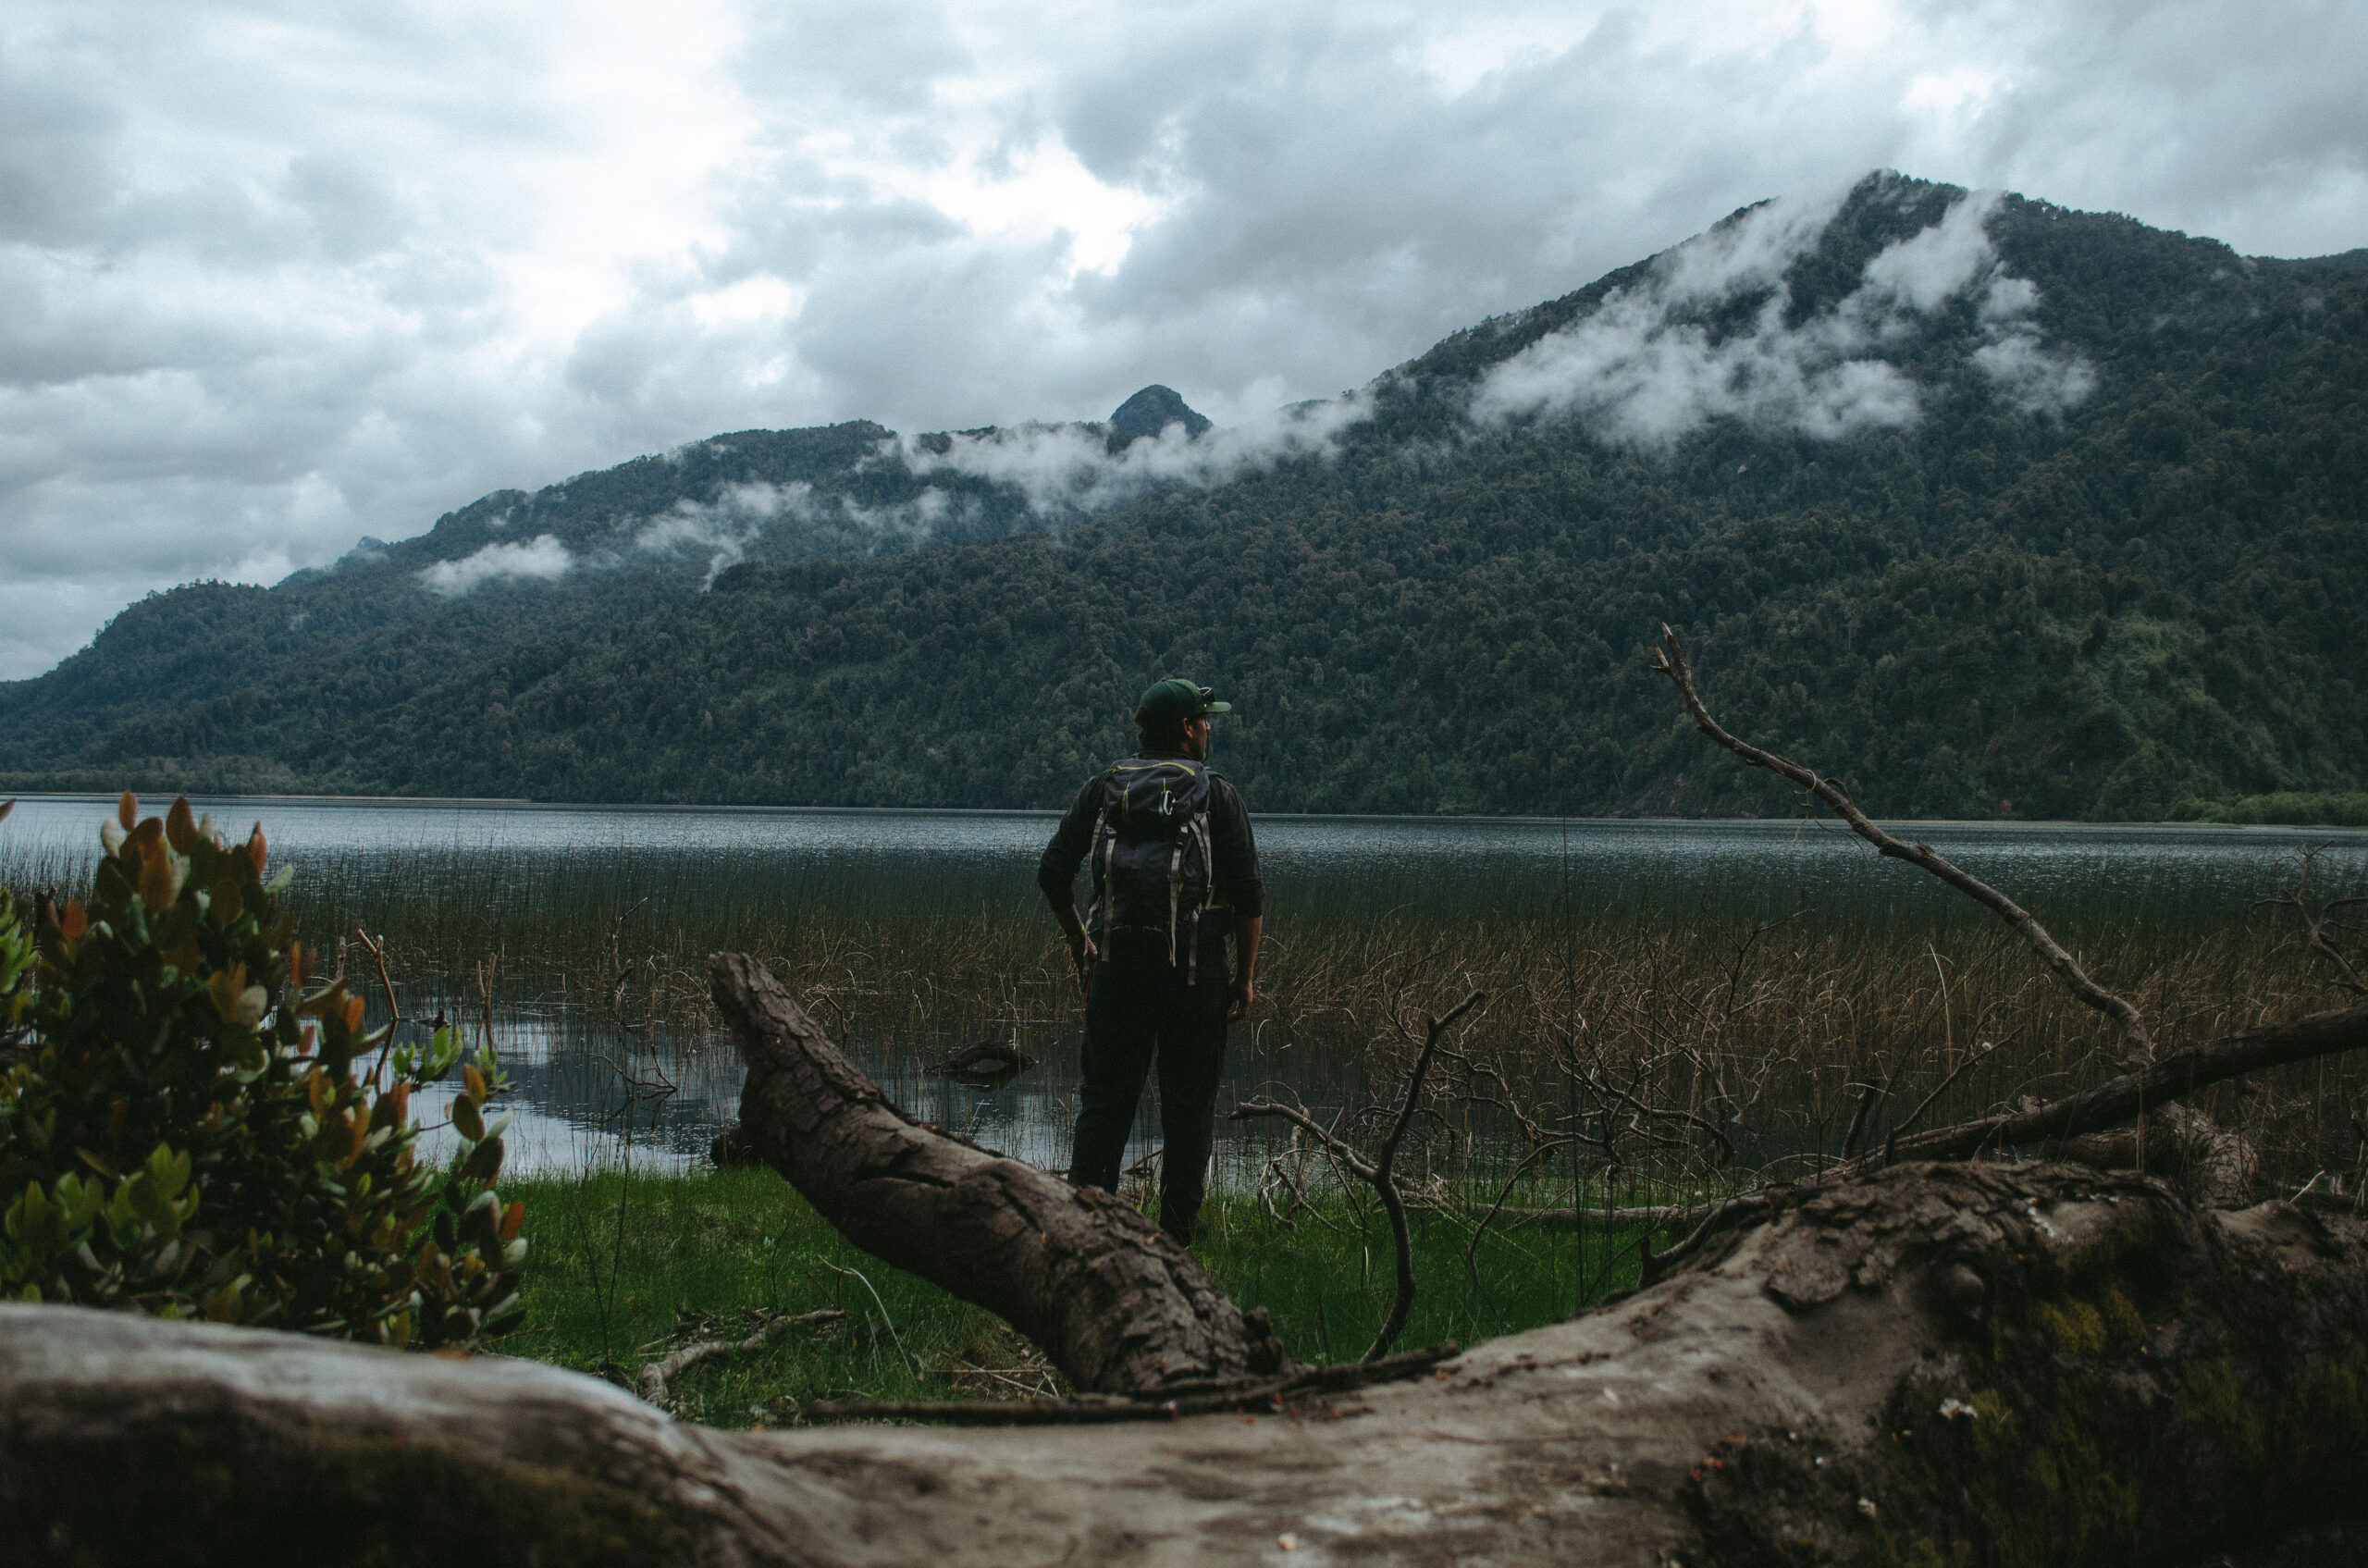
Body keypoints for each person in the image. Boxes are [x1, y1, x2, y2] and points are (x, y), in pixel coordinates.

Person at [1037, 677, 1264, 1245]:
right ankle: (1176, 1242)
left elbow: (1051, 873)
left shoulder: (1104, 788)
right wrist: (1244, 980)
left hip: (1114, 972)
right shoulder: (1216, 794)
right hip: (1194, 978)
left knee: (1105, 1105)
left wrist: (1078, 942)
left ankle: (1088, 1234)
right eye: (1205, 721)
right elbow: (1250, 897)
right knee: (1188, 1113)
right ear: (1188, 729)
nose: (1209, 729)